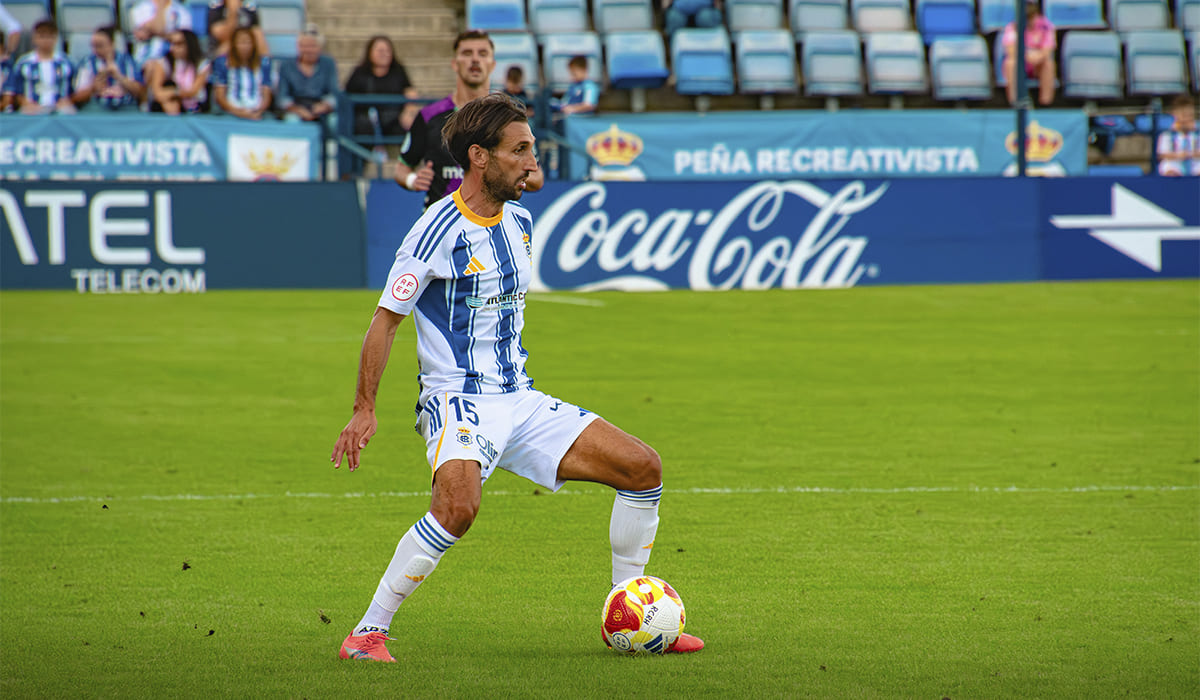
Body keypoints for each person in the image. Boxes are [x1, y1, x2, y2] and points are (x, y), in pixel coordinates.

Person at [330, 92, 705, 663]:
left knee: (641, 467)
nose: (533, 163)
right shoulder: (435, 230)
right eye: (521, 151)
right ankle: (366, 633)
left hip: (519, 400)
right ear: (479, 157)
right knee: (458, 508)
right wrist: (365, 407)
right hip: (457, 400)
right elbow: (385, 322)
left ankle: (626, 613)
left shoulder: (520, 222)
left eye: (532, 149)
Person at [394, 30, 543, 208]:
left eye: (482, 53)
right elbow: (402, 168)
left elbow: (537, 178)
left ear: (492, 64)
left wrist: (503, 172)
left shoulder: (509, 120)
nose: (475, 59)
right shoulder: (429, 116)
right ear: (455, 64)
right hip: (443, 220)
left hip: (490, 221)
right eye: (467, 53)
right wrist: (412, 180)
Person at [344, 35, 419, 140]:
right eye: (380, 51)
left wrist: (409, 112)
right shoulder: (360, 73)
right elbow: (346, 96)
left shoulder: (398, 71)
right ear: (370, 52)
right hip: (365, 121)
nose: (384, 54)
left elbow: (410, 92)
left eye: (387, 51)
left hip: (393, 119)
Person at [1, 19, 75, 114]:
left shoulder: (67, 62)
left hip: (60, 108)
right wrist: (25, 102)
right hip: (31, 108)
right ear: (34, 38)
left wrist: (69, 100)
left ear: (56, 38)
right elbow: (16, 90)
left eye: (50, 36)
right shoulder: (24, 63)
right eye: (42, 36)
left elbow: (75, 89)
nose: (46, 40)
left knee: (69, 113)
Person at [71, 25, 144, 111]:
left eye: (100, 46)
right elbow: (76, 97)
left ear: (112, 44)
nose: (96, 50)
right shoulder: (86, 63)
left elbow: (140, 93)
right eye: (94, 46)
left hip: (126, 108)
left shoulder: (127, 61)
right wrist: (93, 88)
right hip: (96, 109)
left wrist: (119, 77)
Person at [275, 24, 338, 124]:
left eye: (312, 46)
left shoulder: (328, 63)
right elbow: (282, 97)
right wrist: (298, 110)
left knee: (334, 120)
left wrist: (324, 106)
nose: (308, 50)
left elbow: (334, 92)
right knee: (292, 120)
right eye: (304, 46)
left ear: (320, 48)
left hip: (320, 105)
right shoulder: (286, 65)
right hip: (296, 106)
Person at [1002, 0, 1056, 107]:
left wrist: (1038, 57)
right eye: (1026, 18)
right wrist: (1027, 56)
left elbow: (1048, 49)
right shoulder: (1012, 27)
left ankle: (1046, 103)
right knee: (1010, 63)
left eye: (1031, 17)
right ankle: (1016, 102)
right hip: (1021, 64)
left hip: (1037, 64)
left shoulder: (1046, 26)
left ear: (1036, 15)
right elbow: (1011, 50)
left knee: (1048, 63)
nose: (1029, 21)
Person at [211, 25, 271, 120]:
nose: (245, 47)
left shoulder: (264, 63)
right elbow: (220, 96)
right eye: (241, 42)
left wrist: (258, 112)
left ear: (254, 44)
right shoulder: (222, 62)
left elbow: (266, 95)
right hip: (230, 113)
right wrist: (238, 112)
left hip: (256, 113)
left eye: (248, 42)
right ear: (233, 44)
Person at [144, 28, 209, 114]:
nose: (173, 48)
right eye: (172, 43)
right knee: (169, 100)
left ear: (190, 45)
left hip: (195, 107)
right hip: (170, 105)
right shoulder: (164, 62)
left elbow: (194, 91)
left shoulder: (201, 64)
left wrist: (174, 92)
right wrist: (175, 93)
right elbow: (157, 93)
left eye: (178, 44)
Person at [129, 0, 192, 68]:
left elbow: (183, 38)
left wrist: (151, 30)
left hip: (172, 61)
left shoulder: (181, 11)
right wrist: (161, 8)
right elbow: (140, 34)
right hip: (143, 60)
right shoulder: (141, 7)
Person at [1157, 95, 1200, 177]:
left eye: (1190, 115)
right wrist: (1178, 155)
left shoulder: (1198, 131)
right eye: (1184, 115)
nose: (1186, 118)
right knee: (1167, 166)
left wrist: (1190, 154)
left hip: (1195, 161)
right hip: (1176, 161)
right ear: (1175, 114)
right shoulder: (1168, 133)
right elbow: (1162, 154)